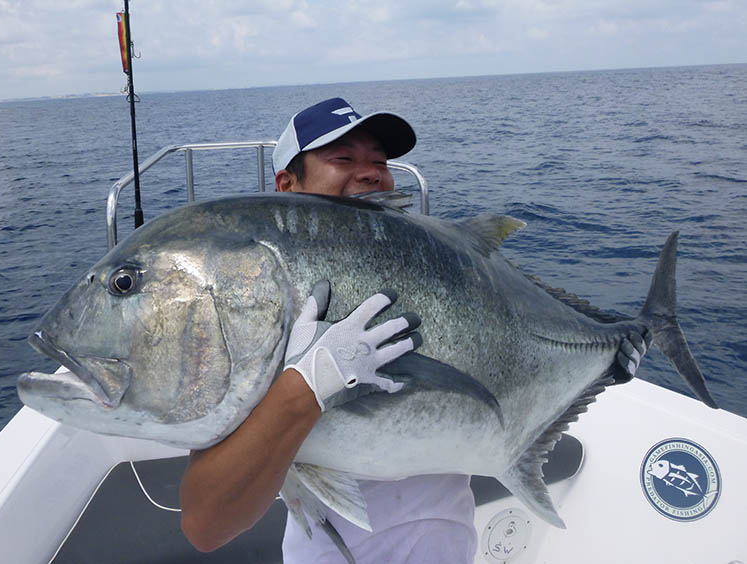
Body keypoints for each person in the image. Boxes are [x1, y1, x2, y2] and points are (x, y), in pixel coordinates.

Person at [180, 97, 651, 563]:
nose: (370, 173)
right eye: (343, 158)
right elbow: (206, 526)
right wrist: (306, 387)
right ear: (287, 182)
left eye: (379, 162)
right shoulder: (261, 309)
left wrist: (606, 356)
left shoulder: (439, 268)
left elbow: (514, 345)